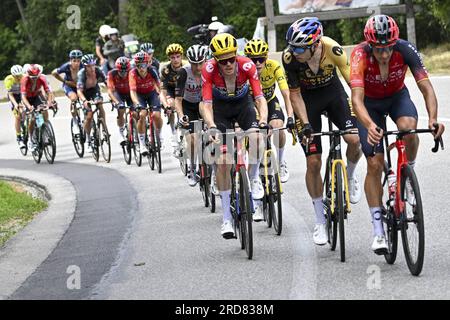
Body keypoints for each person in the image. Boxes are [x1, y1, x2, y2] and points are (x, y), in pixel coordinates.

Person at [350, 15, 445, 254]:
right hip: (369, 105)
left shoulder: (405, 49)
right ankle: (378, 229)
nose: (384, 54)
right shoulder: (360, 55)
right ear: (371, 45)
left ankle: (406, 172)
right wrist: (369, 125)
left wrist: (433, 119)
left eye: (388, 48)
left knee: (409, 127)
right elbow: (356, 99)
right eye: (379, 50)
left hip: (396, 97)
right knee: (374, 163)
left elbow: (426, 87)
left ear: (395, 42)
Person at [283, 17, 362, 245]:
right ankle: (319, 220)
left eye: (299, 47)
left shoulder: (332, 48)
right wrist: (306, 125)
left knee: (353, 139)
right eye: (292, 46)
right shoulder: (290, 59)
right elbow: (295, 94)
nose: (294, 51)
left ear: (315, 44)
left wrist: (361, 110)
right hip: (307, 101)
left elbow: (352, 83)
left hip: (333, 94)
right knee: (314, 162)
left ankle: (351, 174)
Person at [202, 33, 268, 238]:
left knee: (258, 138)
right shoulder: (209, 69)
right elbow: (206, 103)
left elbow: (259, 97)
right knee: (223, 161)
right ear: (216, 61)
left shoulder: (247, 65)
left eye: (232, 58)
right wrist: (211, 125)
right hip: (220, 110)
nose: (229, 64)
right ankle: (226, 220)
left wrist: (263, 120)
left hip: (243, 106)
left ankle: (254, 178)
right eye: (224, 61)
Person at [244, 38, 295, 222]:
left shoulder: (273, 66)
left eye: (261, 59)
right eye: (253, 59)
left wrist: (290, 116)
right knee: (254, 142)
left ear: (266, 58)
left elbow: (286, 93)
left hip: (271, 101)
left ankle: (280, 162)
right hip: (251, 104)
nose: (257, 63)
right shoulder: (244, 70)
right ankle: (255, 200)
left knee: (278, 128)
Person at [175, 44, 208, 186]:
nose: (198, 67)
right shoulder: (184, 73)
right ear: (189, 62)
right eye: (194, 64)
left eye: (201, 63)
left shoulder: (209, 70)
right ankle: (193, 169)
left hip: (204, 105)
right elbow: (178, 99)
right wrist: (181, 116)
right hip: (188, 106)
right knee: (193, 139)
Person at [129, 51, 163, 155]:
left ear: (147, 64)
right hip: (139, 96)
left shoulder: (152, 70)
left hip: (151, 93)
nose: (141, 68)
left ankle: (159, 135)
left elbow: (160, 86)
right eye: (138, 66)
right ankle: (142, 143)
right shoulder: (133, 73)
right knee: (142, 115)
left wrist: (163, 99)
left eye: (143, 65)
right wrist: (137, 104)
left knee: (157, 115)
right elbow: (133, 92)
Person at [21, 64, 55, 151]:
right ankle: (30, 139)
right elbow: (23, 97)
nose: (34, 79)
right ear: (28, 76)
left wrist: (49, 103)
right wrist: (29, 107)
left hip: (35, 97)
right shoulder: (24, 79)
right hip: (27, 99)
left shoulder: (42, 78)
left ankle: (44, 130)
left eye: (36, 77)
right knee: (32, 118)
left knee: (44, 111)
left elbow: (49, 92)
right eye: (32, 78)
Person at [77, 54, 107, 151]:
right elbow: (79, 91)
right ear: (85, 66)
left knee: (100, 104)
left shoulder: (98, 70)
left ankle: (104, 128)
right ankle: (88, 140)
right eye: (89, 66)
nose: (92, 68)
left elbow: (107, 83)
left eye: (93, 65)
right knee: (89, 116)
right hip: (84, 93)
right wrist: (84, 101)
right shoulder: (81, 74)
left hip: (94, 90)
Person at [160, 43, 187, 148]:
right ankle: (173, 133)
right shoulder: (165, 70)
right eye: (172, 57)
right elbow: (162, 92)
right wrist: (166, 105)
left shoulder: (187, 66)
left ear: (182, 56)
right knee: (171, 105)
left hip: (184, 89)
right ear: (169, 58)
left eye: (178, 56)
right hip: (171, 89)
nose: (175, 59)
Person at [51, 49, 83, 127]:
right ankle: (75, 120)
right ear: (70, 60)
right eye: (74, 60)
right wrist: (64, 81)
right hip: (69, 86)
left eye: (78, 61)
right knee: (74, 98)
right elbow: (54, 73)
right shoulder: (66, 66)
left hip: (79, 85)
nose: (76, 63)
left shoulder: (83, 66)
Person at [107, 57, 133, 145]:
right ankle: (121, 132)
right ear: (117, 69)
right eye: (121, 71)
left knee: (136, 112)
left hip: (130, 93)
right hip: (118, 94)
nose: (124, 73)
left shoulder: (132, 72)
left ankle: (135, 131)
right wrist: (117, 102)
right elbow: (110, 91)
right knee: (121, 110)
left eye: (126, 71)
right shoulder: (112, 74)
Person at [5, 65, 25, 148]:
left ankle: (25, 123)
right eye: (17, 76)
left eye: (20, 76)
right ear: (13, 75)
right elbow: (10, 95)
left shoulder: (24, 77)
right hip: (14, 96)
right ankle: (19, 138)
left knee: (25, 111)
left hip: (22, 94)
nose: (19, 78)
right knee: (17, 116)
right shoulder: (9, 79)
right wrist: (16, 104)